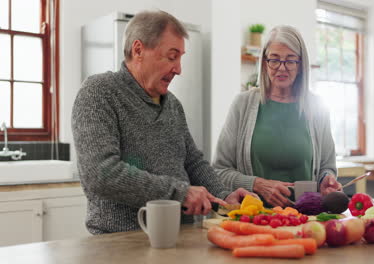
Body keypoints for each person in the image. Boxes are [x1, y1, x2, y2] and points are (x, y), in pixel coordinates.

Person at [72, 10, 253, 235]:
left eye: (180, 57)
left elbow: (193, 162)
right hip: (121, 240)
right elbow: (101, 173)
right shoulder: (99, 92)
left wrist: (226, 195)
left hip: (180, 237)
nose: (178, 69)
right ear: (138, 50)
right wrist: (181, 193)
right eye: (171, 56)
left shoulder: (173, 104)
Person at [213, 25, 342, 208]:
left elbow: (327, 167)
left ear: (301, 65)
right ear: (265, 63)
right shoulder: (243, 105)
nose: (281, 68)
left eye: (290, 61)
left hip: (306, 219)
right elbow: (219, 171)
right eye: (274, 59)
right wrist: (257, 184)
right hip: (256, 218)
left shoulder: (317, 107)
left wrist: (326, 180)